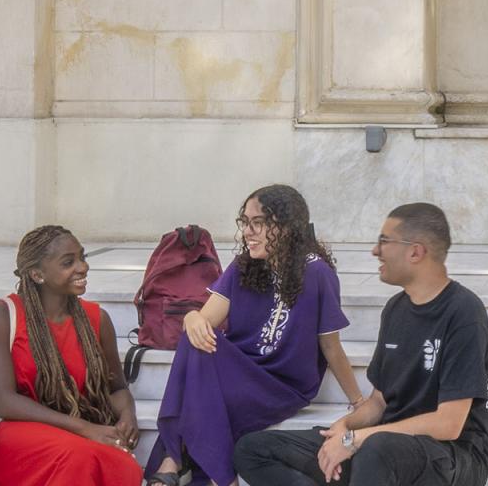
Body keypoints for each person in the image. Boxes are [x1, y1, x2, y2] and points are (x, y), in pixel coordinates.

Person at [234, 202, 488, 486]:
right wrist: (344, 427)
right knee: (253, 449)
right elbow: (379, 401)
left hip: (453, 458)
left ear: (415, 252)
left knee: (377, 449)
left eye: (384, 241)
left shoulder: (464, 312)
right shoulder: (396, 309)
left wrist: (356, 438)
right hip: (385, 449)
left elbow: (449, 424)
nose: (375, 251)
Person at [146, 184, 364, 486]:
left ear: (286, 227)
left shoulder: (317, 273)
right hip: (240, 372)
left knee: (202, 389)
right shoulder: (242, 267)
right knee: (194, 340)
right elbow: (205, 320)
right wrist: (193, 317)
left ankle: (175, 459)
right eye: (245, 222)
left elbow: (330, 345)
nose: (248, 232)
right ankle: (219, 476)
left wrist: (358, 400)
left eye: (258, 223)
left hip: (282, 385)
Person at [0, 224, 142, 486]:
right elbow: (3, 401)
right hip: (17, 431)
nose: (82, 267)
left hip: (77, 431)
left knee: (124, 466)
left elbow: (117, 388)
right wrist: (85, 429)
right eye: (68, 262)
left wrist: (127, 416)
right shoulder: (1, 314)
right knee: (79, 457)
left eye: (82, 257)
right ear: (37, 274)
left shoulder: (97, 319)